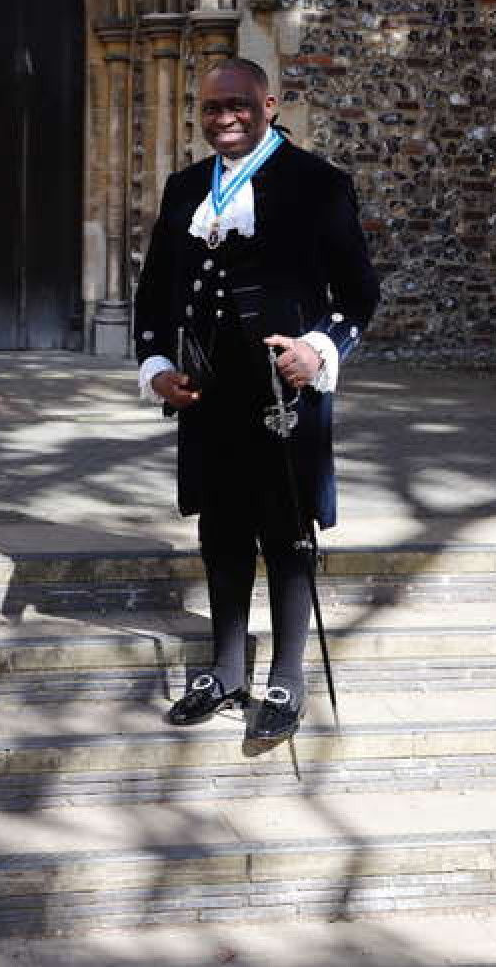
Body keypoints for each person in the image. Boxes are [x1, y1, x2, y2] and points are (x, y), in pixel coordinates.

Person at [134, 58, 379, 741]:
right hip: (207, 392)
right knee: (222, 527)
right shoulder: (186, 187)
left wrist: (319, 350)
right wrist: (156, 364)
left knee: (287, 530)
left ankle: (288, 677)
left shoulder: (318, 185)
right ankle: (226, 668)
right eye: (211, 108)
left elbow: (359, 294)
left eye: (238, 104)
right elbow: (154, 292)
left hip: (284, 391)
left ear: (269, 104)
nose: (224, 118)